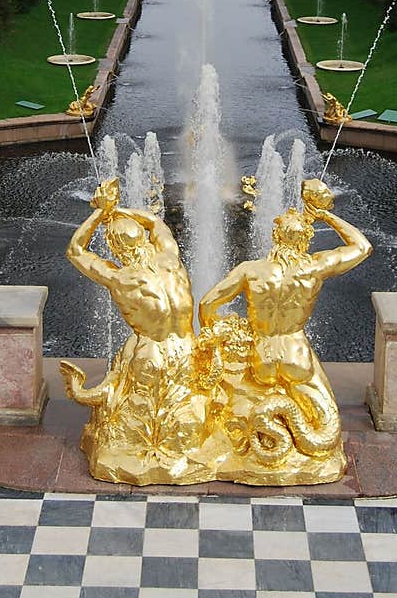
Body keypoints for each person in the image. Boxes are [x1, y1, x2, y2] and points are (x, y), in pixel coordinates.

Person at [197, 178, 371, 480]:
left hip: (261, 358)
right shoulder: (313, 268)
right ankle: (291, 444)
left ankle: (259, 443)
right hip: (296, 355)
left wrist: (224, 331)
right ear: (306, 240)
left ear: (275, 235)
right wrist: (324, 214)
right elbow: (362, 246)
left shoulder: (250, 270)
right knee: (322, 415)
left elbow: (207, 305)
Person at [59, 178, 209, 485]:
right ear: (143, 239)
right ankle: (177, 449)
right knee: (177, 409)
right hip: (186, 349)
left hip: (150, 354)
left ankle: (138, 451)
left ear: (115, 248)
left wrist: (102, 212)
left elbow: (75, 250)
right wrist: (121, 209)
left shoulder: (119, 277)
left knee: (140, 414)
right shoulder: (170, 259)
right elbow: (155, 221)